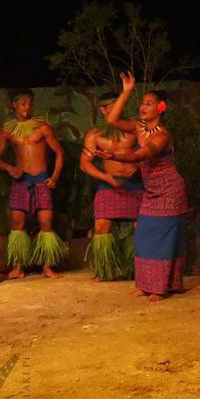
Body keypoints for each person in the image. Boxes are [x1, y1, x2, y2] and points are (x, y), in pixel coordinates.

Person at [102, 72, 188, 301]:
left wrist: (118, 156)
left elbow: (143, 154)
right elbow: (111, 120)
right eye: (141, 103)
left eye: (148, 103)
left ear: (161, 107)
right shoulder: (138, 127)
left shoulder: (162, 136)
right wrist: (127, 91)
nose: (143, 107)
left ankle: (161, 288)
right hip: (151, 191)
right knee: (142, 236)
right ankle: (145, 284)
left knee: (163, 238)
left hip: (170, 190)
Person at [0, 89, 66, 279]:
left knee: (46, 224)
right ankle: (18, 268)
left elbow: (59, 153)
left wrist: (55, 177)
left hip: (41, 179)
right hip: (21, 180)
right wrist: (10, 168)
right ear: (14, 105)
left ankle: (47, 267)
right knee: (17, 224)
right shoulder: (8, 130)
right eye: (23, 103)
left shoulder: (42, 128)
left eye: (29, 103)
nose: (27, 106)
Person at [80, 92, 142, 281]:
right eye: (114, 105)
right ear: (103, 109)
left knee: (139, 227)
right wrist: (106, 177)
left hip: (136, 184)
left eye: (121, 105)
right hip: (109, 184)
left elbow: (153, 150)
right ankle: (104, 269)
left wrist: (138, 165)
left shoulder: (134, 128)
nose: (119, 109)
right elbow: (85, 163)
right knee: (101, 226)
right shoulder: (95, 134)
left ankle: (137, 268)